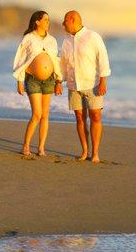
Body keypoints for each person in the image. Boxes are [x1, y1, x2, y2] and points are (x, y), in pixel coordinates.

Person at [59, 10, 111, 163]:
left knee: (95, 116)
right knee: (80, 118)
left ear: (73, 20)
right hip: (74, 84)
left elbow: (103, 58)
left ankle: (95, 153)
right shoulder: (66, 41)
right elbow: (63, 63)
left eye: (65, 21)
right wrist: (59, 81)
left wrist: (103, 80)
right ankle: (85, 151)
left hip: (93, 84)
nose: (63, 24)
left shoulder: (92, 36)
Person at [12, 11, 63, 156]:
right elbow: (20, 60)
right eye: (45, 19)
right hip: (32, 80)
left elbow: (56, 61)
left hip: (49, 81)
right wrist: (19, 81)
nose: (48, 22)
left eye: (48, 19)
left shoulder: (52, 40)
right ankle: (26, 146)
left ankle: (41, 148)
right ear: (37, 22)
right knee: (37, 114)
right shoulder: (28, 38)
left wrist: (59, 80)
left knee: (45, 115)